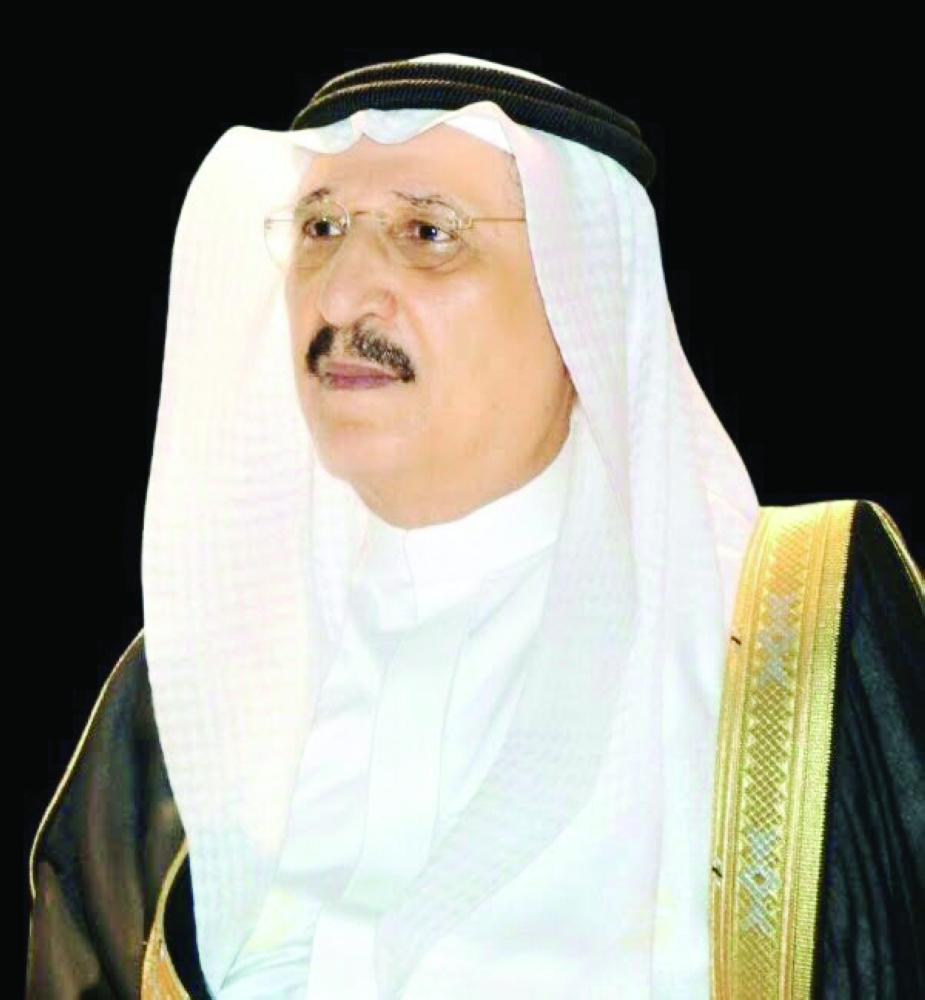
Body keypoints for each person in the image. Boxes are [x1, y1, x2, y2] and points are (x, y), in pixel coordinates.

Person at [26, 53, 923, 999]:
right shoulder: (189, 687)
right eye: (320, 228)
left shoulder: (792, 639)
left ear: (581, 299)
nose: (339, 296)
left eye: (428, 233)